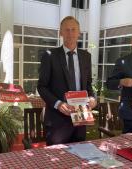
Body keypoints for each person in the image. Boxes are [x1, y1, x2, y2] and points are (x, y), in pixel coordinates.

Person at [37, 16, 96, 145]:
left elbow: (88, 84)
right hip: (57, 120)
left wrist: (92, 98)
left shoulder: (86, 56)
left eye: (73, 29)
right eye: (67, 30)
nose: (70, 33)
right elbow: (41, 86)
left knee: (79, 159)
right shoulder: (49, 56)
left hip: (81, 118)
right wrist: (58, 104)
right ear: (61, 32)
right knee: (56, 160)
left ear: (79, 33)